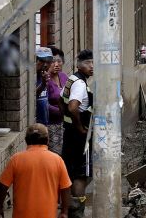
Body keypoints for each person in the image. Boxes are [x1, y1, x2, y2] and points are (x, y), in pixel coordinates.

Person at [0, 123, 71, 218]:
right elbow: (66, 188)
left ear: (26, 140)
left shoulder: (16, 159)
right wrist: (64, 212)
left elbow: (3, 186)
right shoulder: (57, 160)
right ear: (47, 140)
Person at [61, 50, 93, 218]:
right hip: (79, 137)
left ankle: (69, 208)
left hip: (70, 133)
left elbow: (61, 100)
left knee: (71, 172)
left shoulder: (71, 79)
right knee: (82, 175)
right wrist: (80, 128)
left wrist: (67, 121)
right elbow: (73, 107)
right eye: (88, 63)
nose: (92, 66)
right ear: (79, 65)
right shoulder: (79, 84)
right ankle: (77, 212)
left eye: (93, 63)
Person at [46, 47, 69, 154]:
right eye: (52, 61)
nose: (56, 64)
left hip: (64, 123)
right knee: (54, 154)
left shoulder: (64, 77)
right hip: (51, 125)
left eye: (59, 61)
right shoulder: (45, 79)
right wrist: (62, 111)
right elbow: (44, 103)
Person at [34, 47, 54, 128]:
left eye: (48, 61)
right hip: (35, 125)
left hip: (44, 122)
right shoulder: (32, 77)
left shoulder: (44, 75)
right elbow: (32, 97)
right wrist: (43, 84)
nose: (45, 65)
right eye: (42, 61)